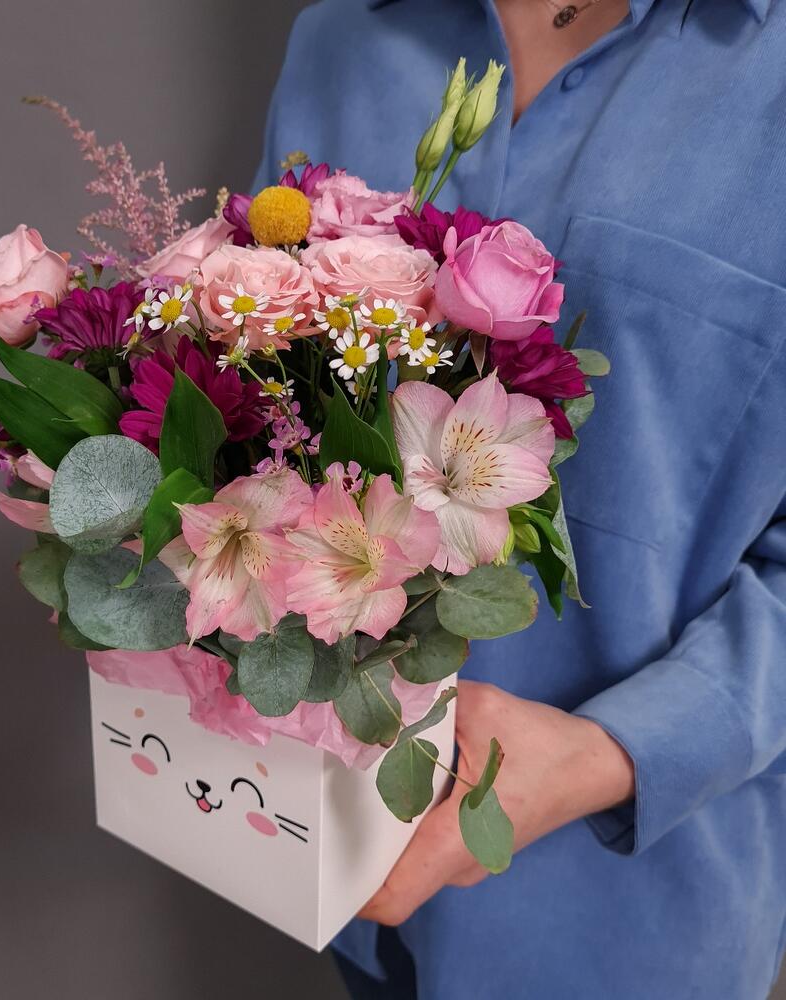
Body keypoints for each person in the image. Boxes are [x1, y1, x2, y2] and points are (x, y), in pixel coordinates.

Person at [254, 1, 786, 997]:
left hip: (627, 925)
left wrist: (605, 751)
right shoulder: (342, 36)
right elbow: (261, 387)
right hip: (343, 873)